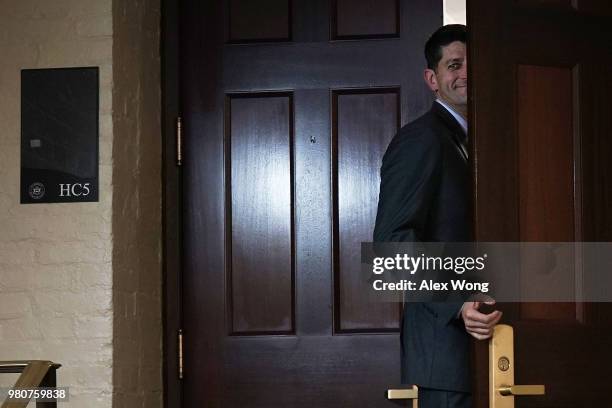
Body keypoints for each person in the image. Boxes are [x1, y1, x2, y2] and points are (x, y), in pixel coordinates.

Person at [373, 25, 502, 408]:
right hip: (442, 357)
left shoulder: (478, 142)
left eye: (472, 64)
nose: (466, 74)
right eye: (454, 65)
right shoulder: (421, 140)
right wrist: (458, 301)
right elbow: (391, 242)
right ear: (432, 78)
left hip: (483, 354)